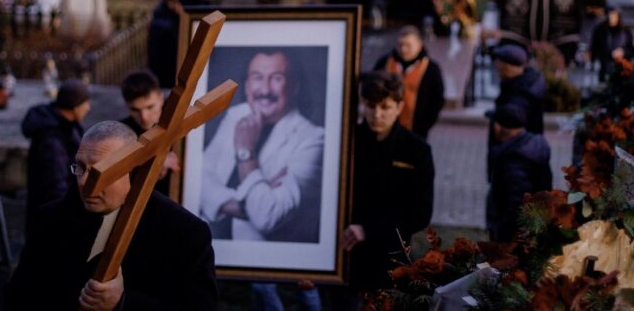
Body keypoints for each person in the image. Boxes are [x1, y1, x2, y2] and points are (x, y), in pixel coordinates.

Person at [4, 121, 218, 310]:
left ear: (132, 170)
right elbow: (19, 298)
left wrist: (123, 302)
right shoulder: (51, 219)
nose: (84, 182)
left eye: (100, 171)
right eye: (80, 167)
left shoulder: (184, 232)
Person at [200, 51, 324, 243]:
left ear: (294, 87)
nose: (265, 89)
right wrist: (241, 205)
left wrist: (245, 151)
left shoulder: (314, 139)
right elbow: (199, 177)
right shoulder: (236, 115)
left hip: (263, 255)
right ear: (247, 86)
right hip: (210, 244)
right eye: (257, 77)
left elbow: (267, 216)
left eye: (277, 78)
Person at [341, 71, 435, 295]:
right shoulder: (346, 143)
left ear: (399, 107)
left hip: (390, 258)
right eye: (371, 106)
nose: (377, 114)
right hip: (346, 255)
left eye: (385, 107)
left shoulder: (417, 151)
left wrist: (369, 230)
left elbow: (421, 213)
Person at [21, 79, 91, 233]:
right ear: (75, 107)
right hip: (51, 222)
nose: (88, 108)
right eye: (86, 103)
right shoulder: (52, 140)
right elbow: (56, 187)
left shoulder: (67, 125)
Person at [485, 102, 552, 242]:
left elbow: (516, 203)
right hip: (533, 226)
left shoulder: (513, 159)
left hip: (513, 237)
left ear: (499, 127)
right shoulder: (533, 146)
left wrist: (502, 234)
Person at [374, 25, 445, 140]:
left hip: (416, 131)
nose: (403, 49)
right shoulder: (384, 63)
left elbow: (437, 100)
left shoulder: (431, 69)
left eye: (408, 45)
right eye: (400, 45)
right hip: (384, 131)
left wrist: (425, 125)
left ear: (419, 45)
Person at [118, 71, 180, 196]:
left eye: (150, 107)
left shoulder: (180, 121)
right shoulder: (120, 133)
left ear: (161, 98)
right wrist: (155, 164)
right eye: (135, 110)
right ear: (126, 105)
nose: (144, 117)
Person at [490, 44, 546, 137]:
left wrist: (498, 116)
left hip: (519, 143)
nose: (496, 65)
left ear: (506, 67)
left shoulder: (524, 90)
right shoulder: (517, 83)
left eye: (498, 62)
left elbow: (514, 117)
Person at [147, 0, 188, 88]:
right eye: (179, 1)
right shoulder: (163, 22)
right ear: (170, 2)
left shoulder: (175, 17)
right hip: (165, 68)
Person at [591, 7, 634, 82]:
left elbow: (632, 50)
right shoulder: (600, 30)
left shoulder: (626, 31)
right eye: (610, 15)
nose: (612, 18)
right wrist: (609, 54)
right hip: (605, 67)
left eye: (614, 15)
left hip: (622, 69)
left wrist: (623, 52)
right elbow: (595, 48)